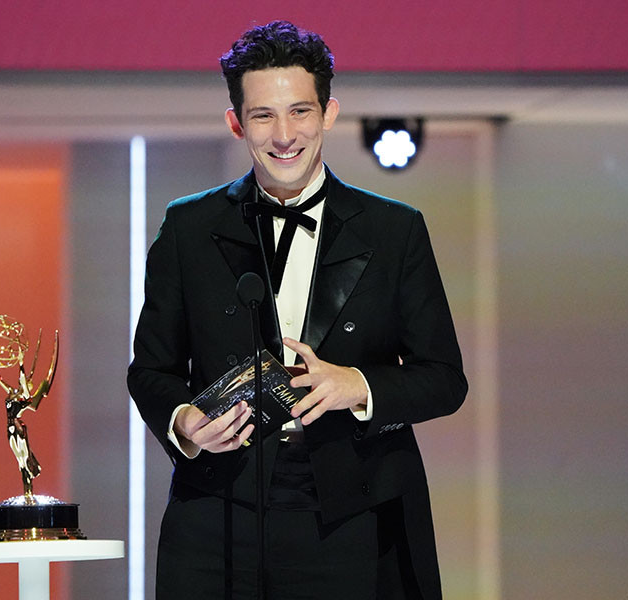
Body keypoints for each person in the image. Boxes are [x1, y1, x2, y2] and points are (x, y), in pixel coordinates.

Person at [127, 20, 467, 600]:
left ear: (329, 113)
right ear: (236, 122)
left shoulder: (394, 230)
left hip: (349, 517)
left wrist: (354, 385)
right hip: (217, 515)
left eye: (300, 112)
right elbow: (150, 371)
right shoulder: (189, 227)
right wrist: (185, 424)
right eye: (263, 115)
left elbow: (444, 380)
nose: (284, 134)